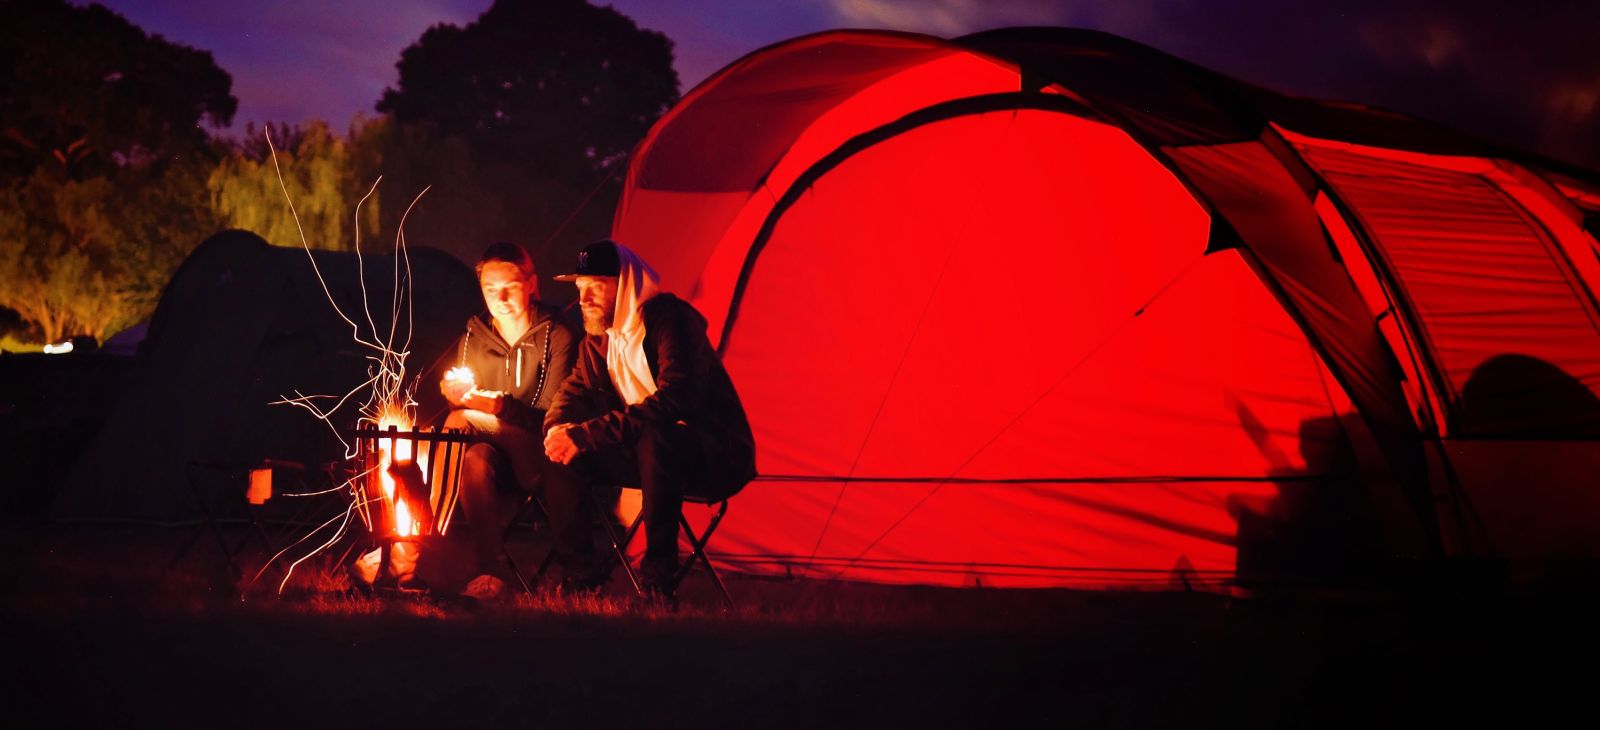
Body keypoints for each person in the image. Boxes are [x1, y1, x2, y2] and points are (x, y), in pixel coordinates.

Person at [543, 239, 756, 598]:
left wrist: (587, 434)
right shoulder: (597, 342)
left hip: (711, 453)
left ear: (625, 284)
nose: (585, 299)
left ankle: (658, 576)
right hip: (649, 456)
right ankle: (579, 573)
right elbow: (572, 392)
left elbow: (677, 400)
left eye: (596, 287)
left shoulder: (671, 321)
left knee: (655, 437)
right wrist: (557, 430)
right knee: (560, 453)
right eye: (581, 288)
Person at [440, 241, 596, 597]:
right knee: (473, 458)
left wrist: (493, 407)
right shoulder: (475, 336)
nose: (502, 298)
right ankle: (491, 573)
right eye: (491, 290)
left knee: (458, 424)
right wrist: (455, 393)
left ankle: (407, 550)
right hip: (493, 458)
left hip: (543, 454)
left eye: (510, 287)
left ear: (531, 283)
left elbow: (550, 418)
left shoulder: (558, 335)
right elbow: (465, 401)